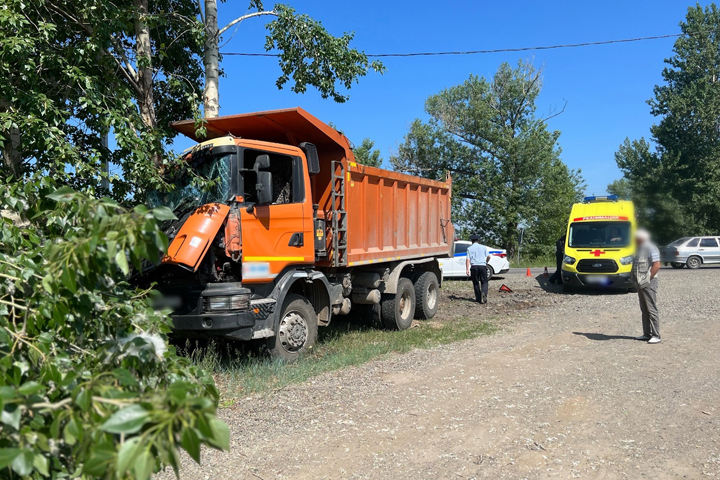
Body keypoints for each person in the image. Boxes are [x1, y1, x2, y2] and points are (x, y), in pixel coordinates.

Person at [632, 229, 662, 344]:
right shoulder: (640, 248)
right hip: (640, 281)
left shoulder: (651, 247)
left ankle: (656, 335)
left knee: (651, 309)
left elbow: (657, 264)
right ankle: (646, 334)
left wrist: (648, 278)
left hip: (648, 282)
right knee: (644, 309)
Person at [466, 234, 491, 304]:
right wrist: (486, 262)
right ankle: (484, 293)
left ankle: (478, 298)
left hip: (474, 267)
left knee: (476, 282)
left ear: (472, 241)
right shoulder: (483, 247)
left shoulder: (469, 248)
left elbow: (468, 260)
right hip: (482, 266)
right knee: (484, 281)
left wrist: (467, 269)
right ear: (478, 240)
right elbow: (489, 257)